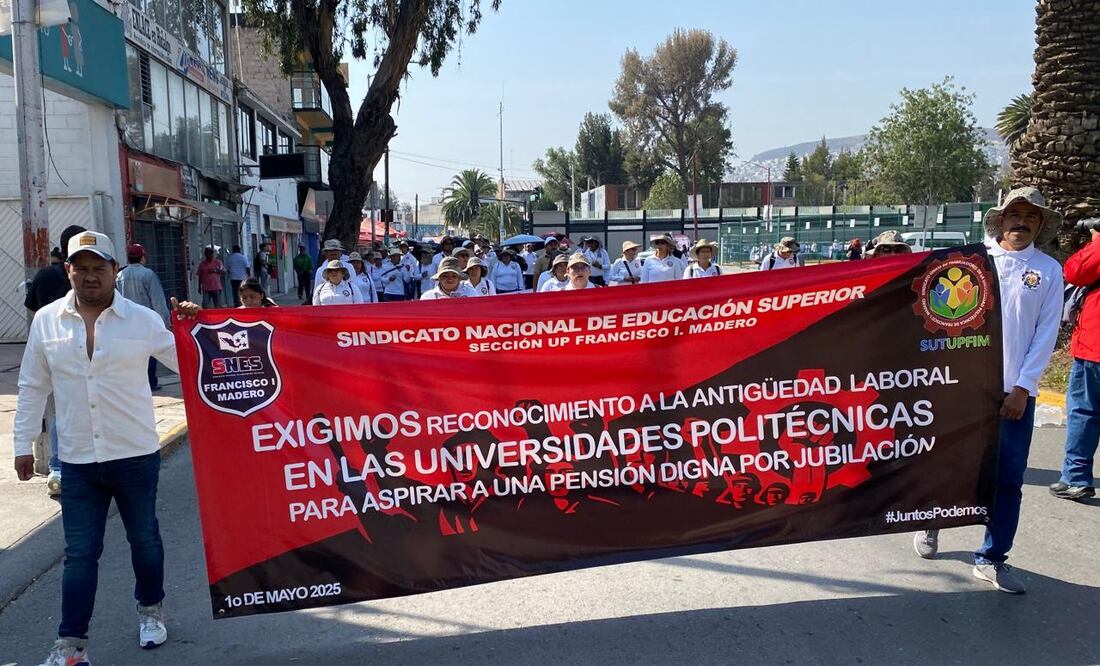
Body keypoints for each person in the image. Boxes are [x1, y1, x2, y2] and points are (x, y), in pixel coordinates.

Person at [13, 230, 200, 664]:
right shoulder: (47, 321)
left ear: (116, 271)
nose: (91, 277)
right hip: (77, 459)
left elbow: (192, 363)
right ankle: (71, 646)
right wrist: (24, 442)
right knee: (80, 553)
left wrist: (193, 325)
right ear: (69, 272)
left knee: (144, 540)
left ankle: (151, 611)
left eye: (100, 268)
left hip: (134, 453)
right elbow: (32, 385)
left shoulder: (141, 320)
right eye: (83, 269)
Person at [913, 187, 1063, 595]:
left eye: (1030, 216)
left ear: (1040, 224)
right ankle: (931, 522)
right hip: (961, 391)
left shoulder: (1049, 270)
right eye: (1014, 214)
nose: (1021, 221)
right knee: (948, 468)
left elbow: (1046, 334)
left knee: (1009, 479)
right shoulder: (968, 262)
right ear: (999, 220)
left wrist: (1022, 387)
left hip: (1013, 396)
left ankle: (992, 557)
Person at [25, 225, 87, 497]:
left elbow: (31, 305)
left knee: (59, 412)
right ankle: (63, 466)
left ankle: (58, 467)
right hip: (77, 351)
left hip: (52, 349)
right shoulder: (83, 273)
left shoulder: (46, 275)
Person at [1051, 218, 1100, 502]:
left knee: (1085, 411)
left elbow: (1075, 271)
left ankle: (1076, 478)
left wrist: (1095, 241)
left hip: (1094, 347)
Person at [115, 244, 171, 392]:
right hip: (146, 321)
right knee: (149, 352)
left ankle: (135, 383)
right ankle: (151, 382)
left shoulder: (120, 276)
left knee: (131, 354)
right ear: (142, 257)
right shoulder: (148, 275)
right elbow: (157, 299)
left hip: (125, 321)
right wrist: (165, 321)